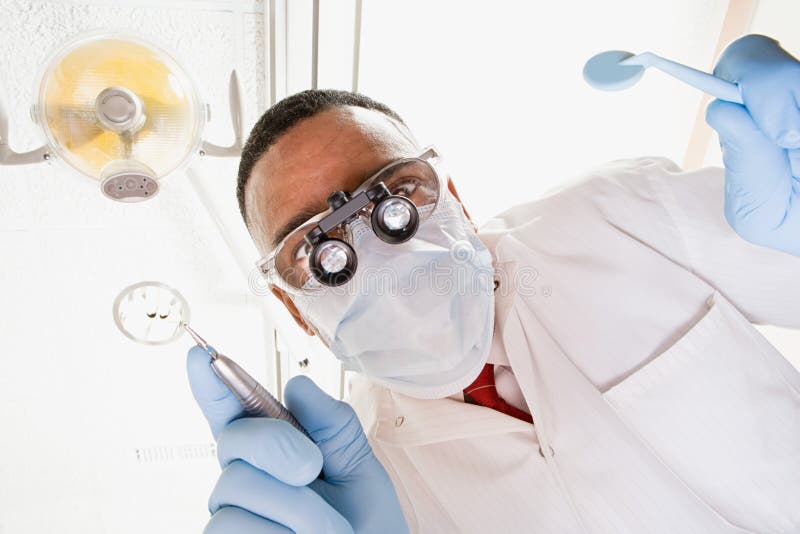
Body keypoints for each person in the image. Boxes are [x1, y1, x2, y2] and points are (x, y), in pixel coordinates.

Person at [186, 34, 800, 533]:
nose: (377, 255)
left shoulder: (615, 215)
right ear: (296, 311)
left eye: (395, 198)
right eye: (319, 251)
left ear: (453, 198)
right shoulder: (369, 496)